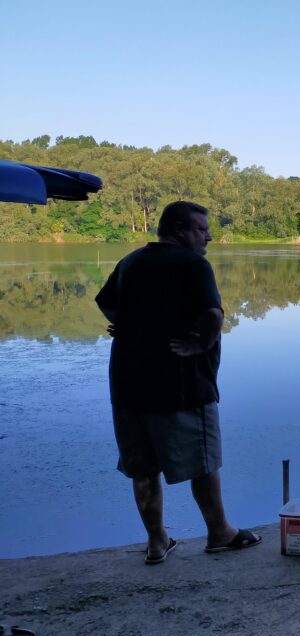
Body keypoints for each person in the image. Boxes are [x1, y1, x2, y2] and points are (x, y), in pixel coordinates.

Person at [95, 201, 260, 564]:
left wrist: (128, 325)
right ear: (179, 229)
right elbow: (214, 314)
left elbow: (105, 303)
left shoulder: (132, 261)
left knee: (142, 468)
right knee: (203, 460)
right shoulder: (193, 264)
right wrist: (200, 343)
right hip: (181, 385)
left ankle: (157, 542)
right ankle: (220, 532)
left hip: (127, 385)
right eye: (202, 229)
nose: (209, 237)